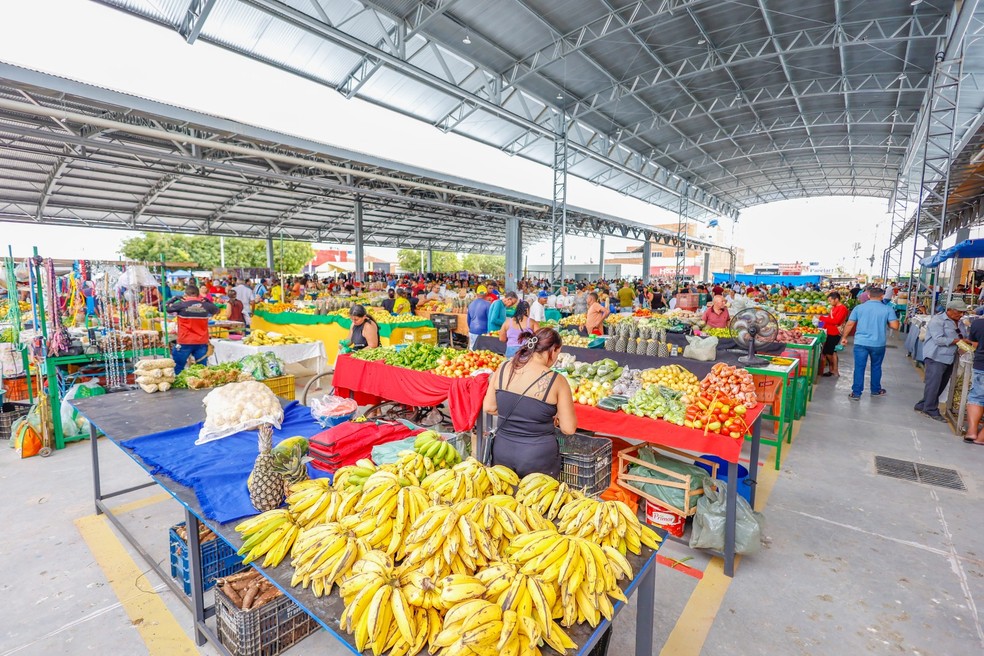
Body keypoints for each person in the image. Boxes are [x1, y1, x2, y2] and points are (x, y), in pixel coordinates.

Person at [482, 327, 577, 478]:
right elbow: (569, 428)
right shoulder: (556, 380)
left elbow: (489, 407)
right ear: (553, 350)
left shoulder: (505, 367)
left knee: (504, 499)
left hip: (502, 453)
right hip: (538, 460)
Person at [842, 287, 900, 400]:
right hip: (878, 344)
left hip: (860, 343)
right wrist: (886, 322)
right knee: (876, 366)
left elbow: (849, 324)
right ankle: (875, 390)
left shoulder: (859, 308)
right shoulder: (887, 309)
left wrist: (844, 337)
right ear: (882, 296)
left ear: (868, 295)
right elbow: (895, 326)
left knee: (859, 367)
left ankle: (856, 393)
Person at [915, 300, 968, 422]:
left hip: (950, 357)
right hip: (936, 356)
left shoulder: (959, 323)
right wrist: (957, 341)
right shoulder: (938, 321)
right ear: (949, 310)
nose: (960, 314)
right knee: (933, 383)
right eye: (958, 312)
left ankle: (923, 404)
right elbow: (939, 340)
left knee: (941, 384)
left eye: (962, 312)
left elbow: (962, 335)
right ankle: (930, 409)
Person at [165, 284, 218, 374]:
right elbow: (216, 310)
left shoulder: (181, 304)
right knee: (201, 370)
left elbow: (164, 308)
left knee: (178, 367)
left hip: (185, 341)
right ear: (198, 294)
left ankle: (179, 386)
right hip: (201, 342)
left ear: (185, 294)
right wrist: (208, 301)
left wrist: (174, 299)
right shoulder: (205, 305)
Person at [817, 292, 849, 377]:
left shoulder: (842, 308)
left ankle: (834, 370)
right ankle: (833, 370)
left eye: (831, 300)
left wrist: (821, 317)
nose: (830, 302)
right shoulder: (833, 308)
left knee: (830, 352)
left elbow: (836, 321)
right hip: (830, 331)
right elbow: (829, 319)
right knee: (830, 352)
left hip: (835, 333)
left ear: (836, 299)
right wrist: (820, 326)